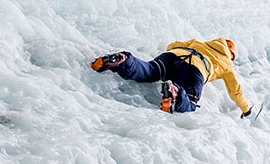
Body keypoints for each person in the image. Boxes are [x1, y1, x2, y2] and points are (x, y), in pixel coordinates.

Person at [91, 38, 251, 117]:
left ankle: (125, 60)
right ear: (231, 55)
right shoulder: (227, 64)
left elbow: (172, 45)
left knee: (150, 71)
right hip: (196, 68)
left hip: (172, 55)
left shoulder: (198, 42)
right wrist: (246, 110)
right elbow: (235, 91)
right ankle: (174, 92)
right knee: (190, 102)